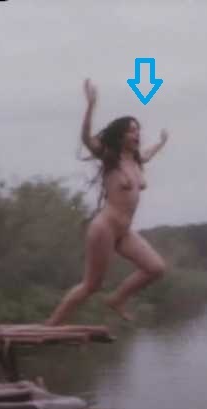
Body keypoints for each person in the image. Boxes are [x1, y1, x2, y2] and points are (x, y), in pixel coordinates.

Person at [45, 79, 168, 326]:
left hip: (124, 231)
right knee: (91, 285)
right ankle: (50, 326)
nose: (137, 134)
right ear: (120, 136)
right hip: (105, 227)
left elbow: (149, 153)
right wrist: (91, 105)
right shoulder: (110, 157)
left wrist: (162, 142)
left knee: (156, 268)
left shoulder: (136, 160)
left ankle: (117, 299)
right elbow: (86, 139)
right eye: (131, 130)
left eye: (138, 130)